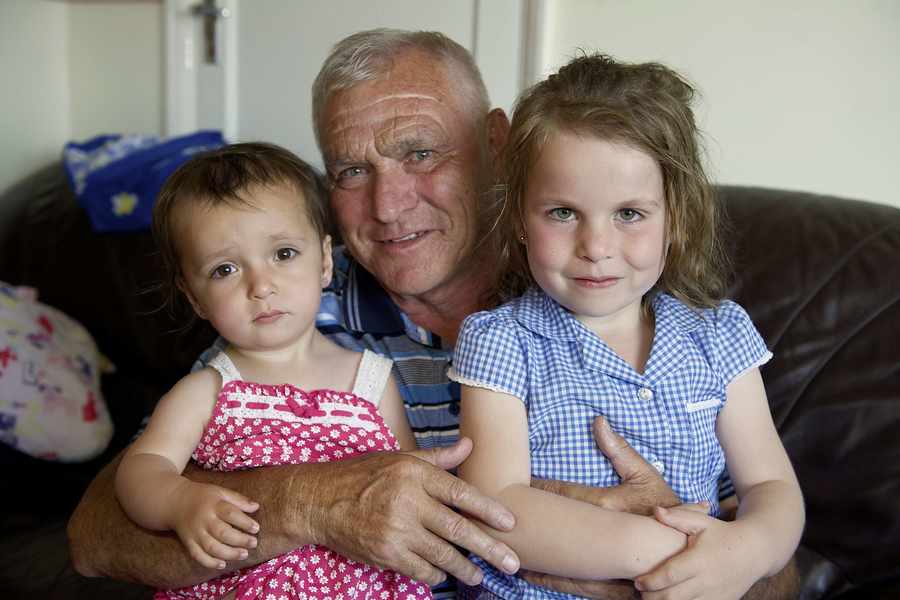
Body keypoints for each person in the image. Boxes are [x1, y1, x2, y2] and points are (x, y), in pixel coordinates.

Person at [68, 29, 800, 600]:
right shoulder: (286, 312)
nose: (388, 204)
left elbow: (778, 565)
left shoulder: (631, 313)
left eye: (420, 153)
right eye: (352, 171)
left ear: (496, 146)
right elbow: (98, 532)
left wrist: (674, 561)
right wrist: (312, 504)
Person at [450, 53, 805, 599]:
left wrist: (744, 553)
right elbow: (498, 503)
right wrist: (668, 557)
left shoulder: (720, 338)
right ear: (520, 218)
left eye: (629, 214)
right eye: (562, 213)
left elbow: (771, 486)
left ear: (675, 219)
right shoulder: (500, 342)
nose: (596, 248)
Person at [115, 142, 431, 599]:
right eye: (224, 269)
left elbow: (406, 480)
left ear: (325, 260)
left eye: (283, 254)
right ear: (194, 297)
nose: (260, 286)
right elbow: (141, 468)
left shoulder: (373, 379)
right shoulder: (207, 389)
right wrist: (178, 500)